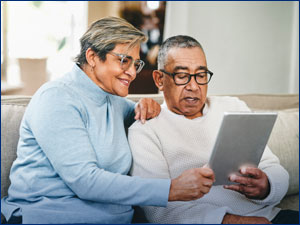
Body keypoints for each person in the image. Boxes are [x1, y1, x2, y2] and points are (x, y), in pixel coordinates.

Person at [1, 18, 215, 224]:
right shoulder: (56, 98)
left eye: (136, 64)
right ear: (92, 57)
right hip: (48, 216)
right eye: (123, 61)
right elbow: (86, 182)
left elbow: (150, 117)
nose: (132, 73)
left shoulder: (114, 101)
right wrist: (171, 189)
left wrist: (147, 105)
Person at [128, 35, 299, 224]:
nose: (193, 86)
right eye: (182, 76)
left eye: (201, 76)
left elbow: (275, 168)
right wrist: (233, 221)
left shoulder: (233, 107)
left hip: (270, 216)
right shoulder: (145, 129)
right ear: (159, 79)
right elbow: (157, 209)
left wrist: (267, 185)